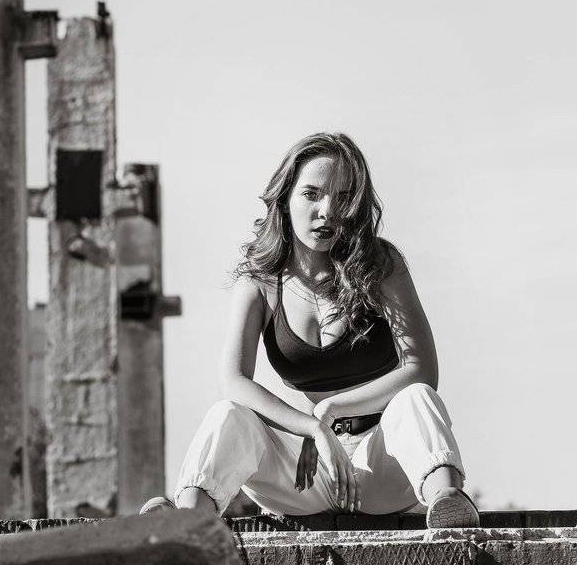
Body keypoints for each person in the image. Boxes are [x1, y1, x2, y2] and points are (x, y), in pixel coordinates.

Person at [145, 132, 479, 528]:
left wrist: (330, 408)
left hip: (383, 468)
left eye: (343, 198)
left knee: (417, 397)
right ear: (285, 198)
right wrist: (312, 427)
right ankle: (187, 520)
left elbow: (421, 370)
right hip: (305, 475)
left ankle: (449, 506)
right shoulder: (259, 282)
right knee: (228, 413)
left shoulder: (381, 266)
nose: (327, 211)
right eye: (311, 194)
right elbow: (233, 381)